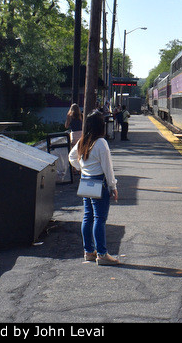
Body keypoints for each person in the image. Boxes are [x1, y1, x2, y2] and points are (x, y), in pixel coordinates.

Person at [68, 111, 120, 265]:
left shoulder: (83, 141)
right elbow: (108, 168)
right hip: (99, 182)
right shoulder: (101, 143)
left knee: (88, 216)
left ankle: (89, 251)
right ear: (100, 126)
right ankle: (102, 254)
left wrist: (82, 168)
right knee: (99, 218)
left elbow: (71, 157)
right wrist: (113, 186)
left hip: (85, 181)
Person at [65, 104, 84, 182]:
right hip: (81, 134)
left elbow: (66, 126)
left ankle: (74, 169)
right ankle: (80, 168)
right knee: (80, 152)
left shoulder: (69, 116)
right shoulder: (81, 116)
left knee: (73, 152)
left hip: (73, 135)